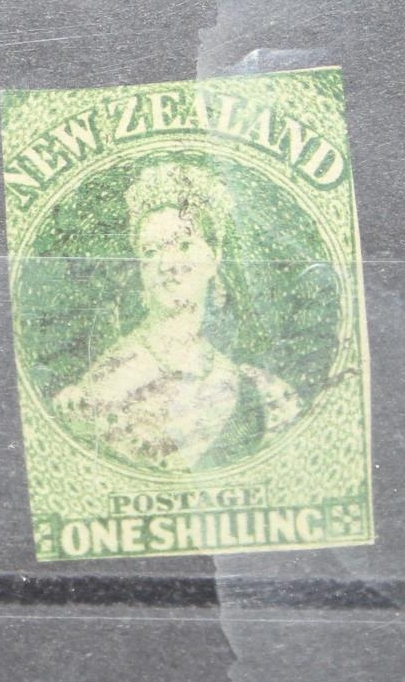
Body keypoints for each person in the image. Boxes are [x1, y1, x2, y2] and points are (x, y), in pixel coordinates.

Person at [50, 158, 303, 472]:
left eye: (183, 245)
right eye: (151, 251)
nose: (168, 264)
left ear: (214, 256)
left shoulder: (262, 392)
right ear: (141, 269)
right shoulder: (105, 384)